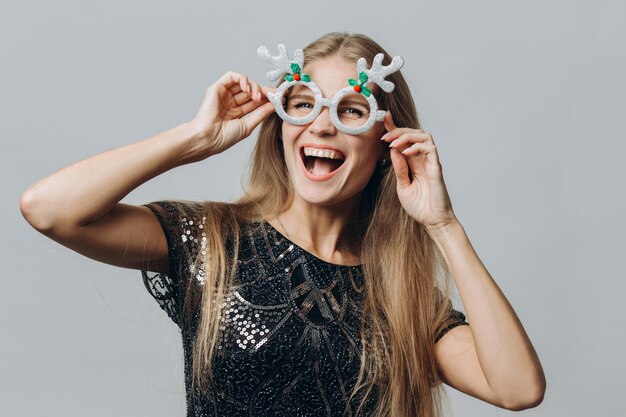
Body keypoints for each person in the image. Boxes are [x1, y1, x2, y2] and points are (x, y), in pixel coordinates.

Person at [19, 32, 545, 417]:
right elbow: (50, 209)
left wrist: (443, 223)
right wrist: (193, 139)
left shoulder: (401, 295)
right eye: (303, 105)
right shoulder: (215, 243)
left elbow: (518, 389)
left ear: (387, 145)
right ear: (279, 124)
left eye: (351, 110)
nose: (321, 124)